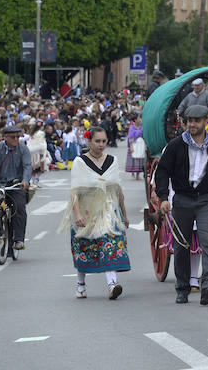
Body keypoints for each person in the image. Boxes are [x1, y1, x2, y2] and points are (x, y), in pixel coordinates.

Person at [155, 104, 208, 305]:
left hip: (205, 200)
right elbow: (162, 173)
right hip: (182, 200)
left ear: (206, 121)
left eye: (196, 121)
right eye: (189, 121)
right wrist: (163, 198)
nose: (191, 124)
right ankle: (183, 287)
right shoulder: (176, 145)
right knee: (181, 245)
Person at [59, 126, 130, 300]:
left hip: (109, 211)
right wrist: (78, 215)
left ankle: (112, 284)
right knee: (85, 248)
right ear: (89, 141)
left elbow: (118, 191)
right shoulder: (79, 162)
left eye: (104, 141)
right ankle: (81, 286)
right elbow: (74, 191)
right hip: (86, 210)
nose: (101, 145)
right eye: (97, 141)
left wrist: (124, 215)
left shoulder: (112, 161)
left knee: (110, 244)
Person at [0, 125, 32, 251]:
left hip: (16, 184)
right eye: (13, 137)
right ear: (5, 137)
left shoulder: (23, 149)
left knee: (20, 207)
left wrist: (25, 181)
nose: (16, 139)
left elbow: (27, 166)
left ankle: (19, 239)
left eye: (18, 136)